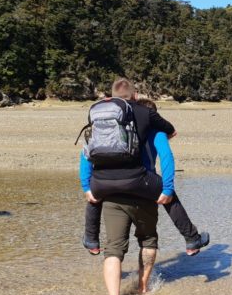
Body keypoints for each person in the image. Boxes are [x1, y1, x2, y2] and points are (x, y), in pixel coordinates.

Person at [80, 97, 209, 256]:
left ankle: (91, 240)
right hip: (143, 182)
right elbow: (166, 157)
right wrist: (167, 189)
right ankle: (191, 239)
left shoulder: (122, 131)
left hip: (110, 180)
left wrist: (86, 186)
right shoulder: (157, 132)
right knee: (170, 198)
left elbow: (85, 155)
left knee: (94, 196)